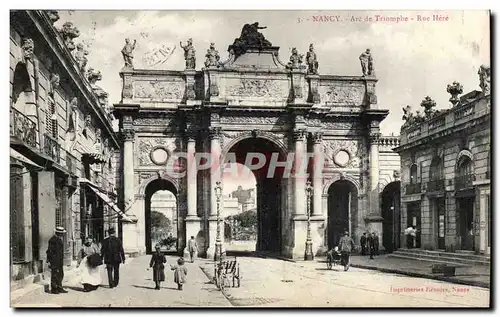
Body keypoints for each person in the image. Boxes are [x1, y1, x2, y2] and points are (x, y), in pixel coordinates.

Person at [46, 226, 68, 294]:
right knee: (55, 274)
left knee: (60, 274)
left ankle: (59, 287)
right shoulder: (52, 240)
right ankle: (54, 289)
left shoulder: (59, 239)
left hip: (59, 261)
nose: (62, 235)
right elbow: (49, 251)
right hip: (54, 261)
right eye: (61, 233)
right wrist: (50, 261)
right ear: (57, 233)